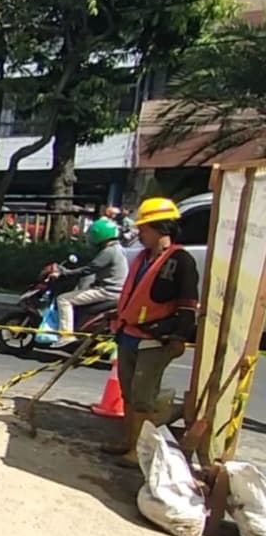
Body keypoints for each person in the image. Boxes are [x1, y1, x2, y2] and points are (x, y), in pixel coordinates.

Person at [101, 197, 200, 466]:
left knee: (143, 398)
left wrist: (179, 336)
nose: (140, 233)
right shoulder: (143, 258)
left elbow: (188, 303)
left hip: (155, 339)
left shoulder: (181, 261)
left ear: (160, 228)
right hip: (129, 334)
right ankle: (128, 441)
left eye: (144, 228)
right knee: (130, 394)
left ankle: (140, 451)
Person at [49, 218, 128, 348]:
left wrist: (65, 272)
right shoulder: (119, 249)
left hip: (108, 292)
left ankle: (66, 336)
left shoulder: (109, 252)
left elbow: (89, 269)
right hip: (117, 291)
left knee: (63, 299)